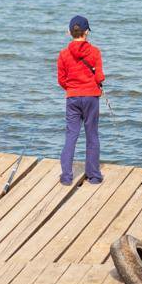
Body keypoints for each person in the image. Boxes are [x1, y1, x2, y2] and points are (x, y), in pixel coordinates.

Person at [56, 15, 105, 185]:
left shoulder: (63, 54)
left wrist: (72, 89)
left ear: (70, 33)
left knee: (71, 136)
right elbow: (99, 77)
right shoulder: (95, 52)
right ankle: (94, 176)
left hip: (73, 98)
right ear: (86, 32)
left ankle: (66, 177)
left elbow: (61, 80)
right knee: (92, 135)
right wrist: (97, 82)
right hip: (91, 97)